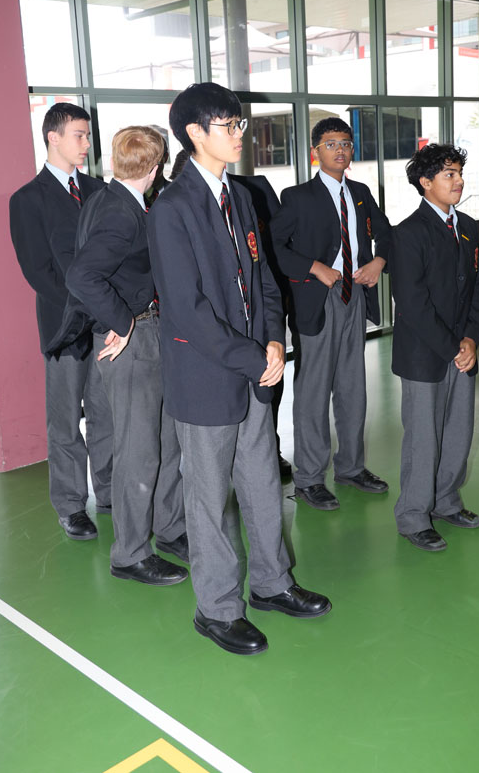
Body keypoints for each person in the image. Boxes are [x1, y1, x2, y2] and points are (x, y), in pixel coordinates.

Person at [147, 82, 331, 656]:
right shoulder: (171, 209)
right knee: (208, 501)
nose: (239, 135)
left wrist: (274, 341)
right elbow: (187, 310)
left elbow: (264, 279)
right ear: (195, 133)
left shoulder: (242, 198)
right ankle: (218, 609)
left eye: (239, 123)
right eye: (228, 125)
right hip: (206, 378)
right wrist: (255, 358)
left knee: (261, 484)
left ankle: (273, 584)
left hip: (256, 370)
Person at [48, 126, 188, 585]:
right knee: (139, 452)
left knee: (165, 440)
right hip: (134, 340)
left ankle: (169, 528)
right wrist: (123, 323)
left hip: (150, 335)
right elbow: (82, 276)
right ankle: (130, 553)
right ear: (156, 167)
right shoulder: (121, 212)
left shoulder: (108, 199)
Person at [270, 117, 391, 511]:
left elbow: (386, 233)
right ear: (315, 152)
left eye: (346, 143)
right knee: (313, 391)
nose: (340, 150)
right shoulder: (297, 197)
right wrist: (313, 267)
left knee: (353, 387)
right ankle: (308, 479)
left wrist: (379, 261)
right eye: (331, 144)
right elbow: (275, 248)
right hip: (317, 300)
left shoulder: (360, 193)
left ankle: (351, 467)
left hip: (354, 296)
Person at [9, 102, 113, 540]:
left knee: (107, 415)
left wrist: (109, 310)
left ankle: (110, 493)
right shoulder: (27, 199)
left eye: (88, 135)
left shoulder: (99, 190)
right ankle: (71, 505)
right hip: (64, 328)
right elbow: (38, 271)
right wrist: (86, 307)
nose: (87, 144)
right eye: (79, 135)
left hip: (106, 326)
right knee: (66, 420)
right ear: (53, 137)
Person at [390, 143, 479, 551]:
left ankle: (446, 501)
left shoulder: (468, 227)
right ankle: (414, 515)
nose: (459, 180)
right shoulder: (408, 233)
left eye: (459, 172)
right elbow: (412, 303)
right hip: (424, 354)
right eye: (449, 174)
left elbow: (478, 290)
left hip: (461, 350)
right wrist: (453, 346)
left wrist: (471, 340)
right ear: (425, 182)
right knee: (423, 438)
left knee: (458, 431)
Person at [227, 171, 293, 478]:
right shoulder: (176, 200)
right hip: (217, 320)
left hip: (260, 305)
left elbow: (276, 242)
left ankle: (270, 448)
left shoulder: (252, 188)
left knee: (269, 383)